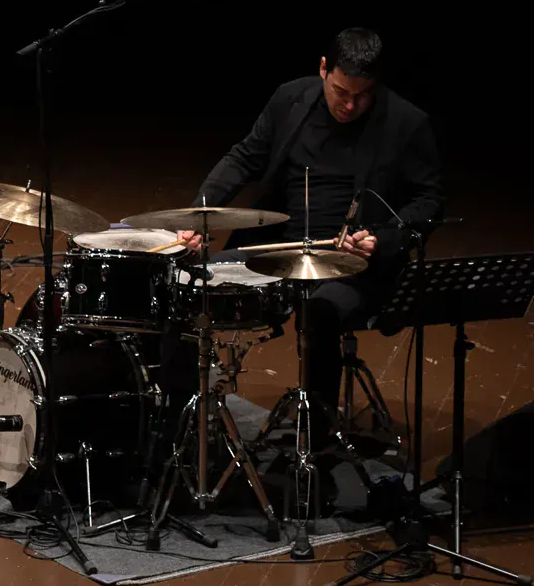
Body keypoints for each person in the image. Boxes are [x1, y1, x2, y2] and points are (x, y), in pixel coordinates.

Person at [178, 27, 443, 435]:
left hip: (355, 263)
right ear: (323, 69)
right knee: (185, 282)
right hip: (278, 245)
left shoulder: (407, 123)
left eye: (362, 95)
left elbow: (429, 201)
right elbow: (245, 157)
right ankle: (178, 420)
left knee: (319, 312)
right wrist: (201, 215)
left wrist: (382, 237)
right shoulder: (290, 99)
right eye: (341, 91)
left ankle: (315, 440)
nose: (350, 104)